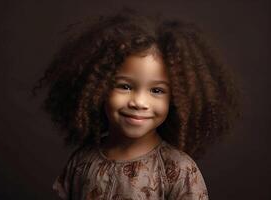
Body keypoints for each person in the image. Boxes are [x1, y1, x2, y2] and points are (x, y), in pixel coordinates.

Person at [33, 8, 241, 200]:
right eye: (124, 86)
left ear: (177, 99)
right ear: (99, 88)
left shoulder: (179, 170)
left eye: (156, 90)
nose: (139, 102)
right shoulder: (82, 161)